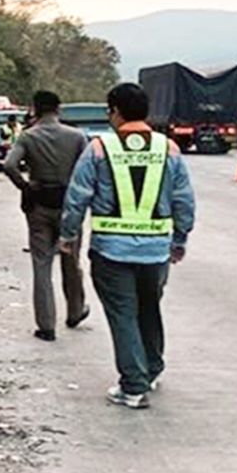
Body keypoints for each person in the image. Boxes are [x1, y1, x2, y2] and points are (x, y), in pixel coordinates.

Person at [60, 82, 195, 409]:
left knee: (123, 314)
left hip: (111, 251)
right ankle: (150, 368)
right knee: (149, 307)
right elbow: (184, 201)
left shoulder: (98, 149)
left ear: (115, 112)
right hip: (156, 251)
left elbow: (78, 196)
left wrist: (68, 235)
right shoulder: (169, 149)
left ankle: (133, 386)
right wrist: (180, 239)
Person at [3, 90, 88, 342]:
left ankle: (46, 326)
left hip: (39, 207)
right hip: (69, 206)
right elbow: (87, 172)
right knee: (70, 261)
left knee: (42, 266)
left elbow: (9, 165)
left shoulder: (28, 137)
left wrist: (26, 186)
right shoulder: (76, 137)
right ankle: (75, 311)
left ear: (34, 109)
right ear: (58, 109)